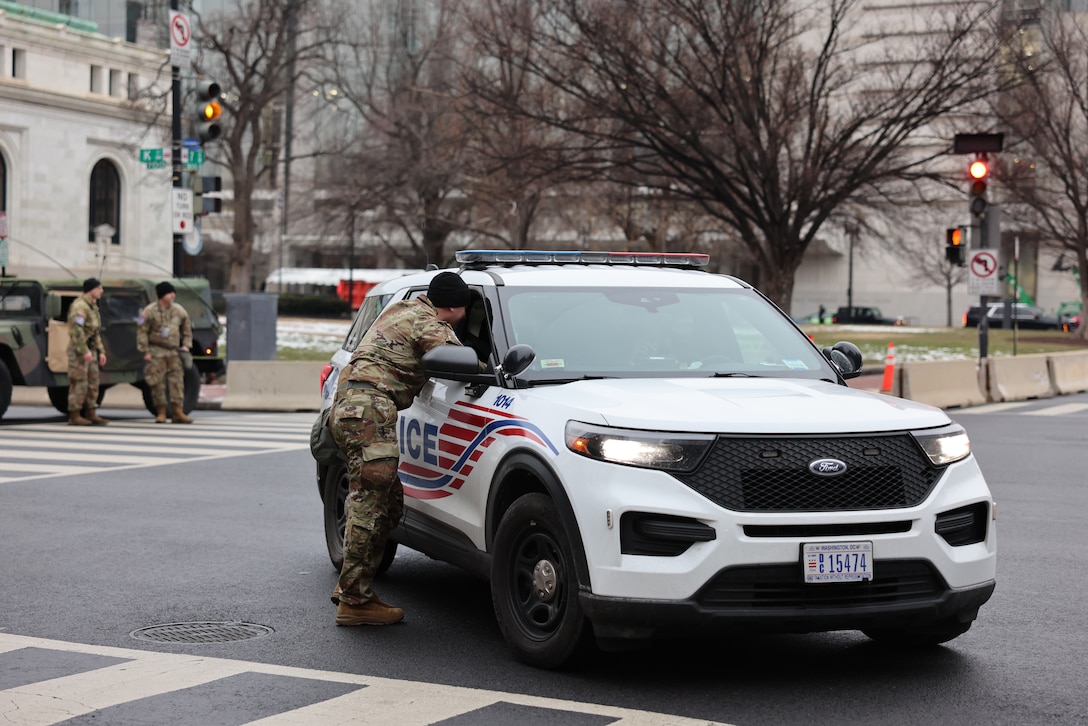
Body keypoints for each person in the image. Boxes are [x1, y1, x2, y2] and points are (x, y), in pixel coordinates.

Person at [330, 271, 472, 626]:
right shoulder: (430, 323)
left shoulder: (401, 308)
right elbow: (462, 362)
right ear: (453, 306)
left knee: (388, 505)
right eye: (465, 310)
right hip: (369, 410)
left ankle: (352, 585)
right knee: (371, 503)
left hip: (349, 406)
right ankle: (354, 601)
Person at [136, 281, 194, 424]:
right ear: (162, 295)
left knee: (177, 382)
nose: (173, 295)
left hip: (174, 352)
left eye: (173, 292)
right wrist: (145, 351)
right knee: (157, 383)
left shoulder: (179, 311)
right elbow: (141, 332)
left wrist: (186, 346)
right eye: (169, 293)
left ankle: (178, 411)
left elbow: (187, 330)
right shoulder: (149, 311)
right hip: (156, 351)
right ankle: (161, 412)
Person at [66, 277, 109, 426]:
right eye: (99, 288)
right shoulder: (80, 307)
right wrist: (84, 351)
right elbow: (76, 331)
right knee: (79, 382)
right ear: (91, 290)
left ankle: (91, 412)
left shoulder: (93, 307)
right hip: (79, 351)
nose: (101, 291)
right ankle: (75, 414)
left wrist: (101, 351)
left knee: (93, 381)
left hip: (91, 349)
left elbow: (95, 332)